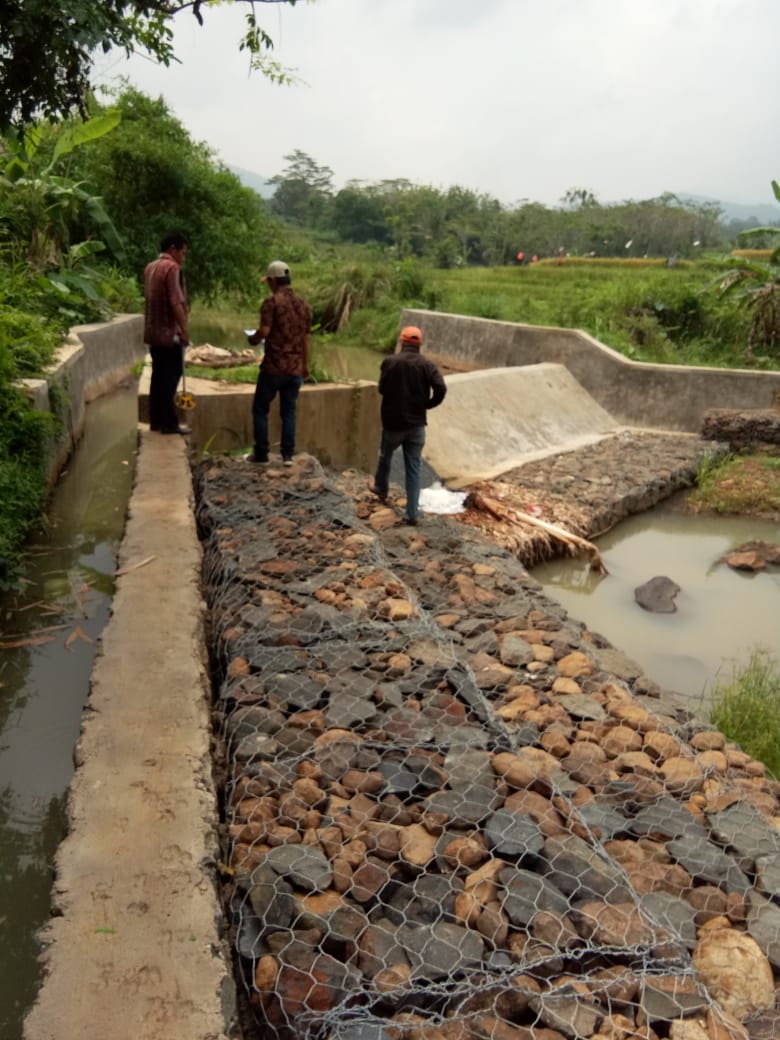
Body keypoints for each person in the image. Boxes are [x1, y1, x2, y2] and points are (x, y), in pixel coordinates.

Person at [369, 325, 447, 525]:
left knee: (385, 456)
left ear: (402, 342)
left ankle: (381, 488)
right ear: (419, 344)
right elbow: (441, 388)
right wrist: (428, 404)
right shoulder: (427, 365)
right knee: (414, 468)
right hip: (417, 425)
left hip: (393, 423)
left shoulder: (390, 362)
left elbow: (382, 389)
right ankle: (412, 513)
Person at [247, 260, 311, 465]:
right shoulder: (303, 305)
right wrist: (305, 365)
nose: (268, 284)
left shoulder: (271, 302)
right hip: (295, 369)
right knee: (289, 411)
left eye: (268, 281)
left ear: (274, 281)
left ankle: (261, 454)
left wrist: (253, 338)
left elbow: (265, 331)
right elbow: (306, 339)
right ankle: (288, 456)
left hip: (274, 367)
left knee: (260, 409)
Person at [143, 231, 191, 435]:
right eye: (183, 252)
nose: (183, 257)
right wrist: (184, 330)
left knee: (158, 377)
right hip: (169, 334)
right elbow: (175, 302)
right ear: (173, 248)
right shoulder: (172, 268)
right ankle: (169, 423)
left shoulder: (150, 267)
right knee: (171, 377)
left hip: (153, 334)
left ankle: (156, 421)